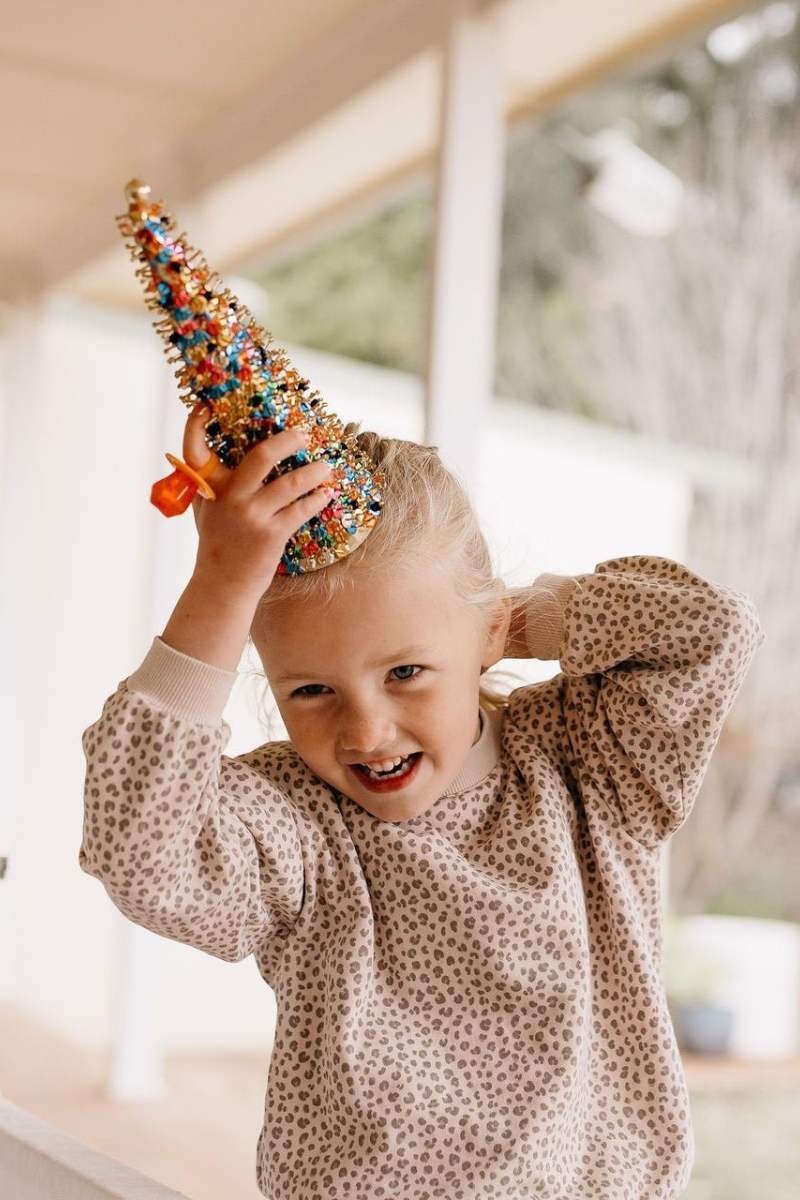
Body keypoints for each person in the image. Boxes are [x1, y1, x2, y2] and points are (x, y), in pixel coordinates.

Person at [79, 404, 765, 1200]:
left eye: (405, 672)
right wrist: (223, 588)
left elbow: (709, 629)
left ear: (488, 635)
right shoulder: (298, 821)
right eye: (311, 689)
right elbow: (138, 848)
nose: (367, 731)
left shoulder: (588, 762)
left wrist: (512, 620)